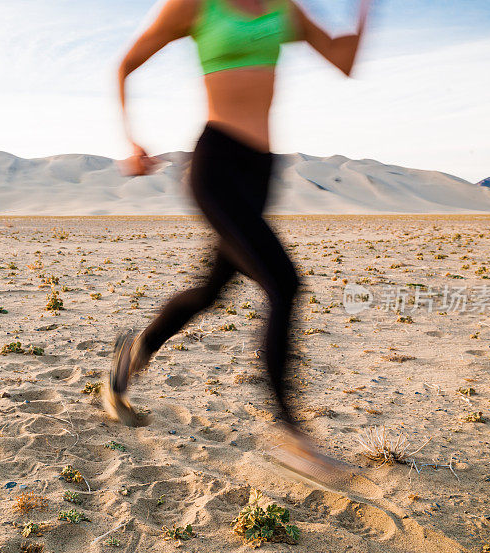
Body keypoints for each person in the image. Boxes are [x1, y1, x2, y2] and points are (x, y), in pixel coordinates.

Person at [106, 0, 372, 489]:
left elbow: (342, 60)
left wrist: (363, 14)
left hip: (261, 172)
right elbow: (125, 65)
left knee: (211, 291)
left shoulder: (283, 8)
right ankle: (294, 439)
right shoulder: (192, 6)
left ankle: (136, 349)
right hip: (218, 166)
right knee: (284, 284)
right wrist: (131, 141)